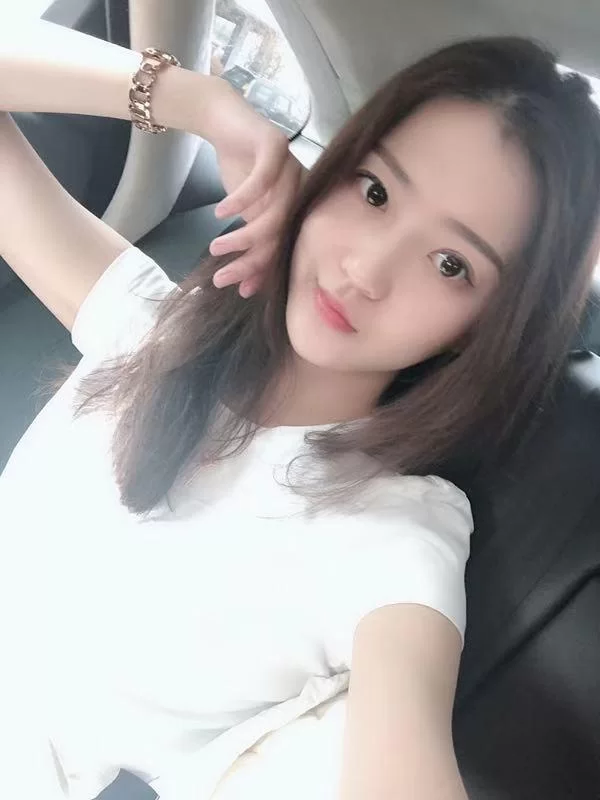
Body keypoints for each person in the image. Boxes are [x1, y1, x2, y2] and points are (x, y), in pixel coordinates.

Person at [2, 18, 600, 800]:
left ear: (484, 329)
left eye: (451, 264)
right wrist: (204, 103)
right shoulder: (151, 325)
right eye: (375, 191)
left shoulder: (394, 533)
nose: (366, 269)